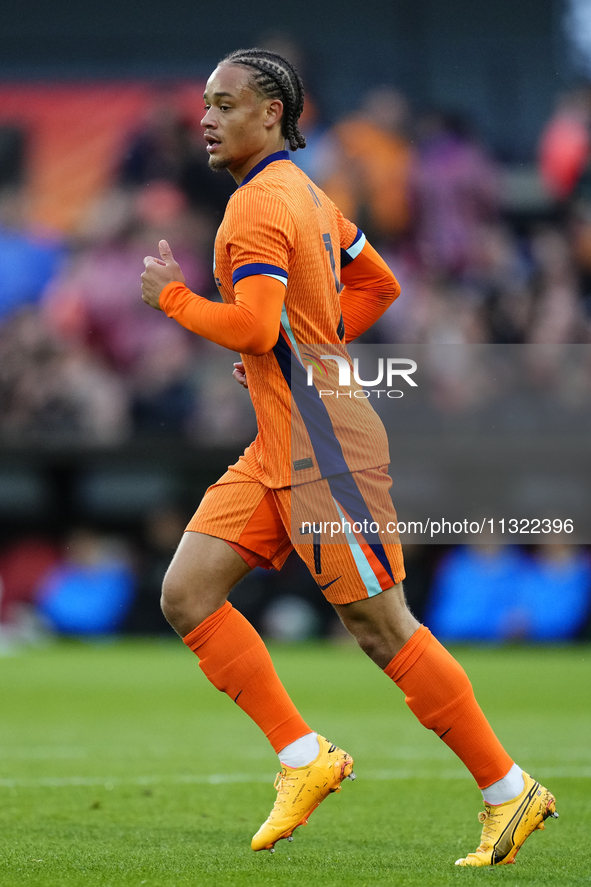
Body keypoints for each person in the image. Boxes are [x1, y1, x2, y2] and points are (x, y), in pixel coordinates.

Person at [140, 48, 558, 866]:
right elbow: (377, 284)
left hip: (323, 446)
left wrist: (176, 300)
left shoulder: (256, 208)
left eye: (225, 103)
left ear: (272, 114)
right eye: (204, 104)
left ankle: (508, 790)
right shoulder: (306, 192)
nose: (206, 118)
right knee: (187, 592)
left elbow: (256, 327)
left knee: (380, 626)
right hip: (279, 440)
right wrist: (304, 347)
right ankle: (304, 757)